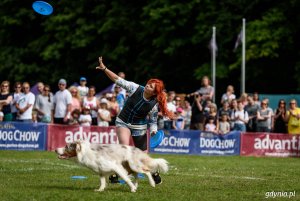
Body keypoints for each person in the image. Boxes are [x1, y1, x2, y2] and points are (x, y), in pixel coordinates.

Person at [96, 56, 173, 184]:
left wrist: (153, 131)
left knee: (143, 156)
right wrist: (104, 69)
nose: (147, 85)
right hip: (123, 121)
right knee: (124, 148)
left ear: (154, 92)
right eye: (149, 83)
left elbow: (153, 121)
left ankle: (153, 171)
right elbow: (117, 79)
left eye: (151, 86)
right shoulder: (135, 88)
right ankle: (118, 172)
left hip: (140, 127)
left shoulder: (154, 104)